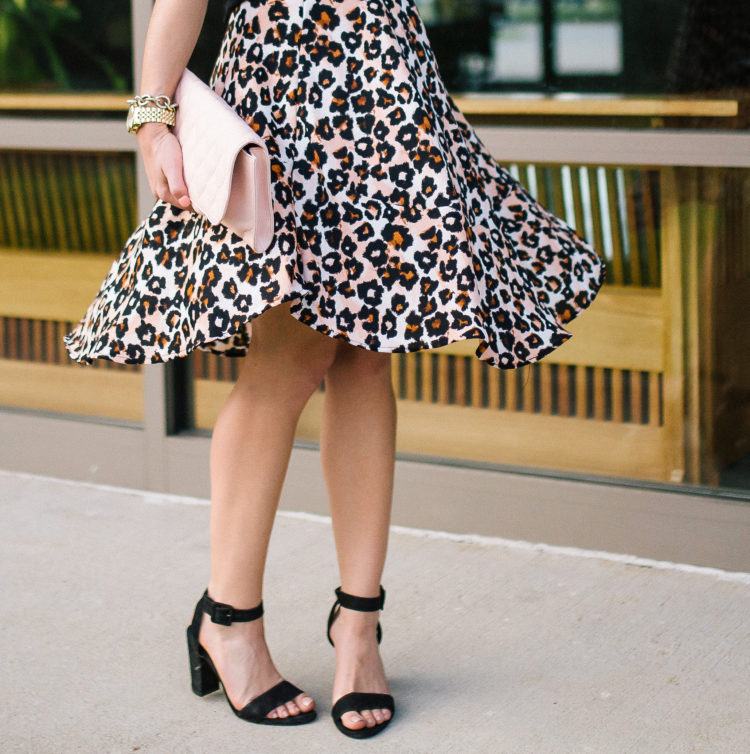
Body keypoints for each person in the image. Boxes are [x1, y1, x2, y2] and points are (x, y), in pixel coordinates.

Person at [63, 0, 605, 740]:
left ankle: (358, 628)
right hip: (288, 90)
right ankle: (230, 622)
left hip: (388, 94)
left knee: (366, 362)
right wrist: (154, 118)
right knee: (287, 364)